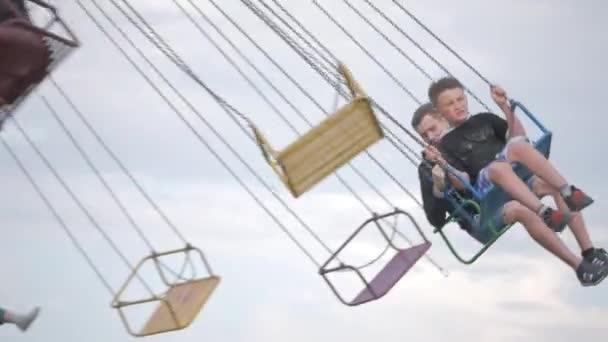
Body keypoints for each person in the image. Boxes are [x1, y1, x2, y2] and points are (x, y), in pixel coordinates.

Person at [418, 78, 607, 286]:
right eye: (450, 104)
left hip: (513, 178)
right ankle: (548, 218)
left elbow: (519, 138)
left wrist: (504, 107)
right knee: (500, 171)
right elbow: (462, 184)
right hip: (486, 193)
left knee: (523, 154)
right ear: (441, 110)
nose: (458, 106)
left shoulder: (484, 119)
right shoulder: (441, 149)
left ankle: (586, 243)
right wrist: (442, 168)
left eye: (460, 99)